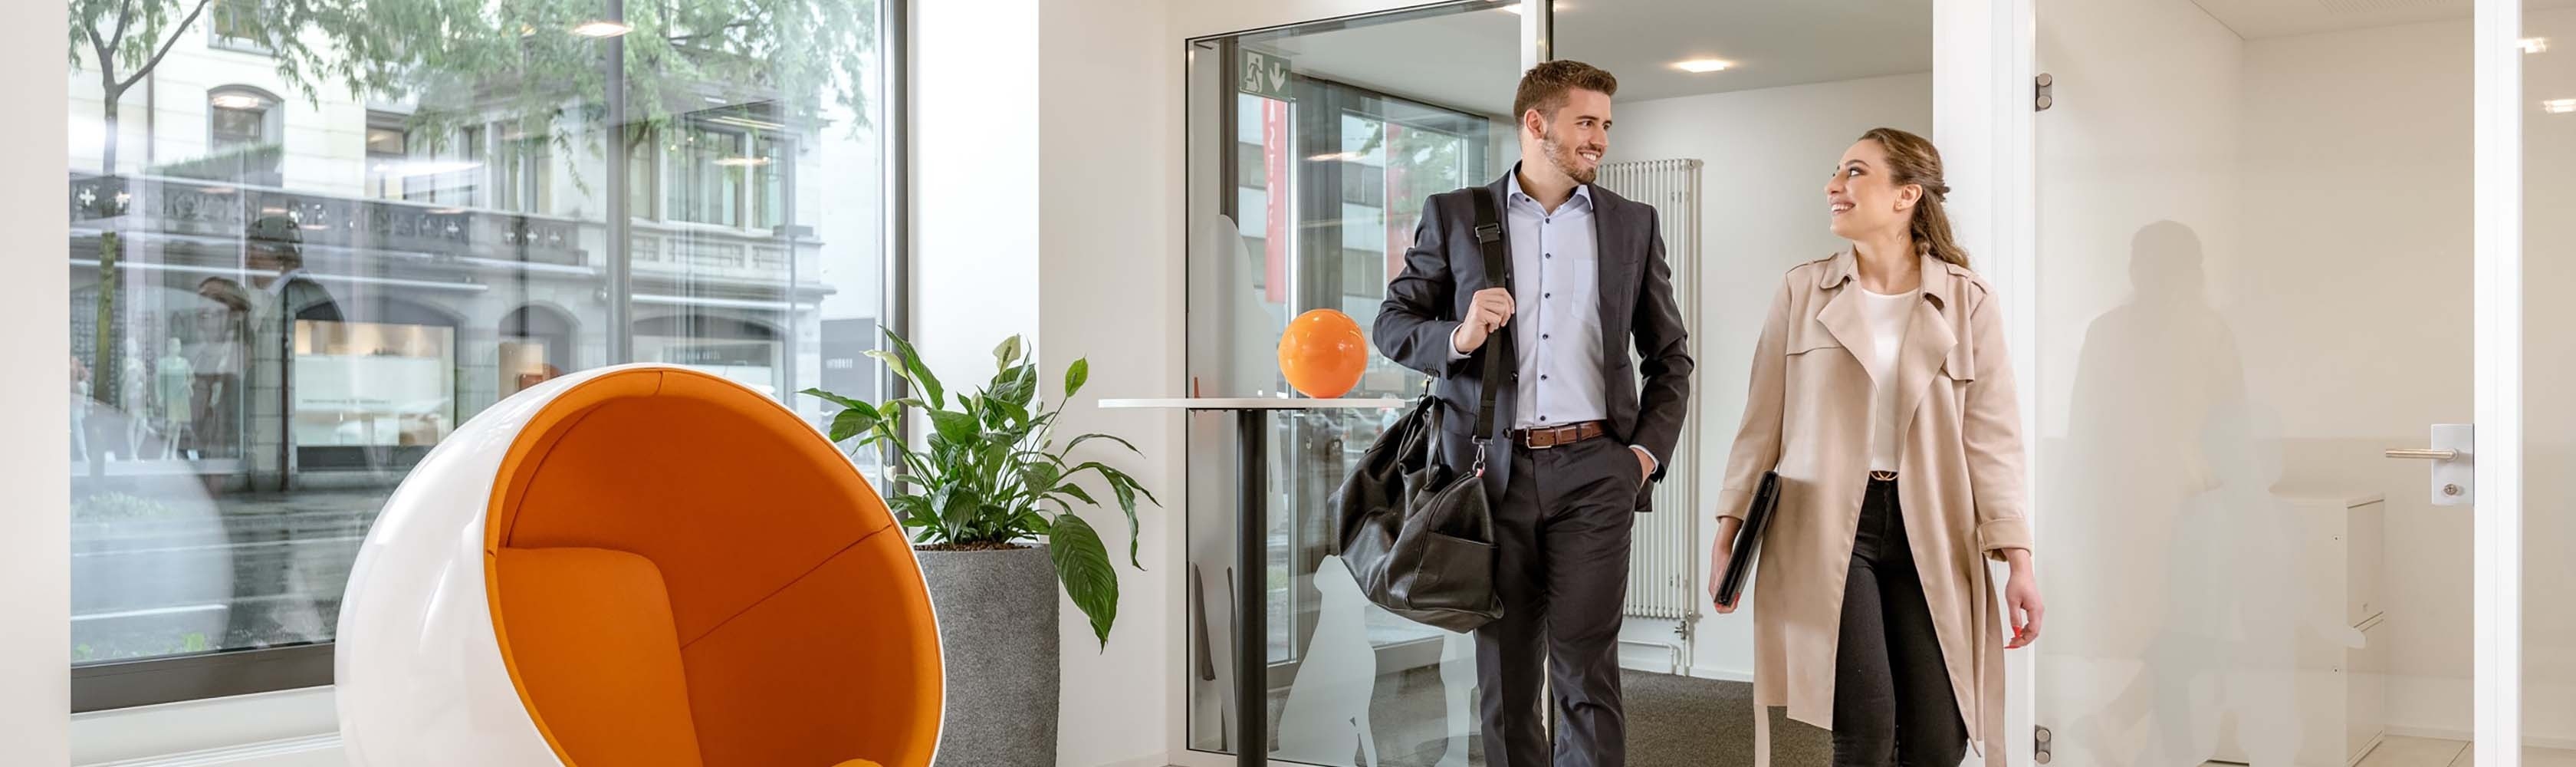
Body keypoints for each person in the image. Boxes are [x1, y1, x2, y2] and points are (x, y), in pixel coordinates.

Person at [1375, 59, 1694, 767]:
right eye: (1586, 122)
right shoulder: (1457, 215)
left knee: (1587, 669)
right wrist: (1460, 335)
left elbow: (1670, 358)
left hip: (1597, 473)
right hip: (1492, 477)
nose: (1600, 139)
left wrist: (1641, 458)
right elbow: (1392, 324)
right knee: (1507, 674)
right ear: (1535, 122)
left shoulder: (1632, 224)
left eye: (1606, 125)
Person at [1708, 127, 2045, 765]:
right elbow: (1760, 423)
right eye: (1837, 171)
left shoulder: (1968, 300)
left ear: (1906, 195)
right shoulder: (1802, 291)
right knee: (1865, 730)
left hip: (1936, 526)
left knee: (1939, 738)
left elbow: (1993, 440)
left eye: (1855, 172)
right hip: (1826, 522)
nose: (1834, 186)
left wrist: (2020, 562)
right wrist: (1730, 528)